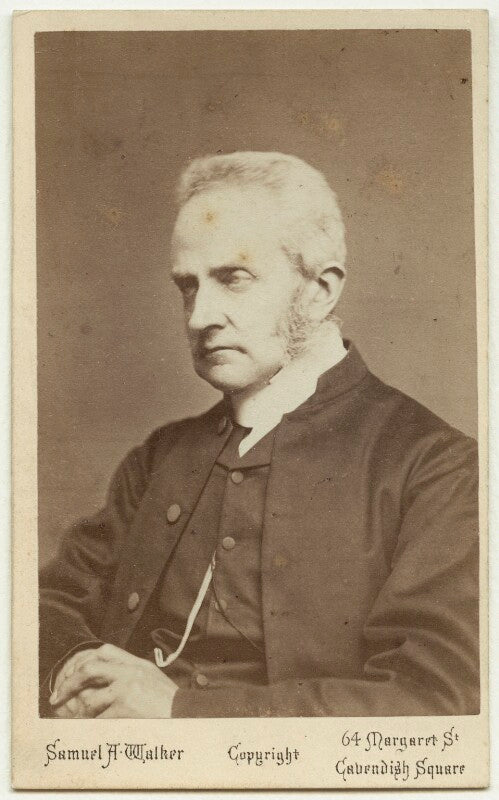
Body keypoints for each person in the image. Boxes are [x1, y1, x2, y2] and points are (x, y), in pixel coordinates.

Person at [39, 151, 479, 719]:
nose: (199, 317)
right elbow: (47, 604)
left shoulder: (435, 467)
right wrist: (74, 666)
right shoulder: (158, 458)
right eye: (188, 286)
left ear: (319, 290)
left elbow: (432, 701)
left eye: (233, 279)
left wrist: (178, 711)